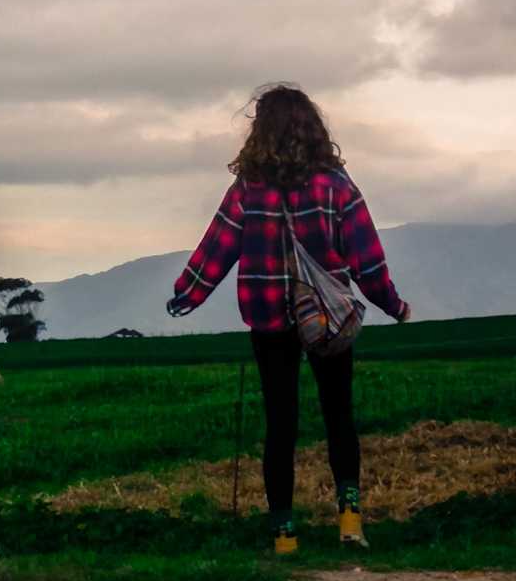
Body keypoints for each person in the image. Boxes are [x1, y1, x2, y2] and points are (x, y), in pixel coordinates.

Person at [166, 84, 410, 554]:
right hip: (329, 318)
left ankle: (284, 536)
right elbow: (367, 260)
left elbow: (216, 249)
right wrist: (393, 306)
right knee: (339, 415)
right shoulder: (337, 187)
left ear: (260, 131)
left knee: (281, 423)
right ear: (313, 127)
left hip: (268, 318)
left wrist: (185, 296)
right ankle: (350, 522)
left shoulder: (247, 191)